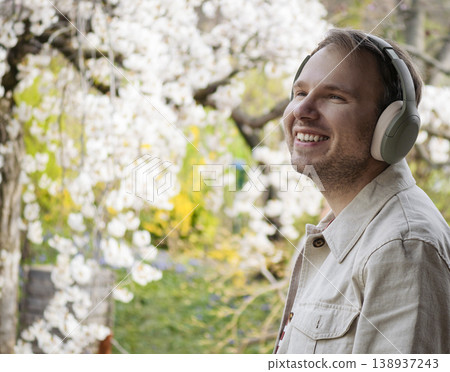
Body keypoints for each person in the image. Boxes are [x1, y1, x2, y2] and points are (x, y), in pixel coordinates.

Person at [275, 28, 450, 354]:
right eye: (300, 93)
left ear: (392, 127)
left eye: (334, 96)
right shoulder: (338, 233)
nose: (302, 111)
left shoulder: (403, 246)